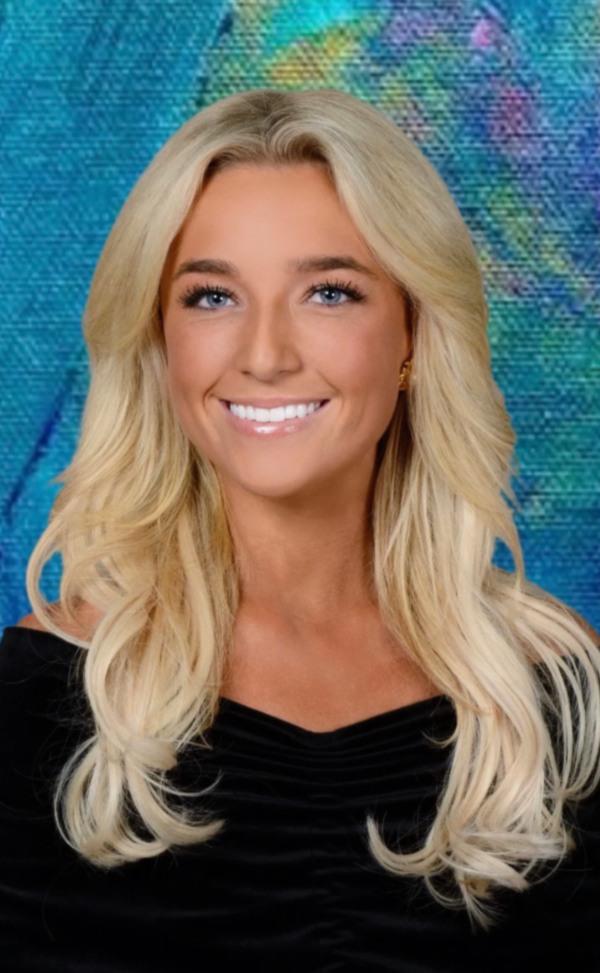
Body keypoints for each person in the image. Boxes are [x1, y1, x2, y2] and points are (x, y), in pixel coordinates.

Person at [1, 87, 599, 971]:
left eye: (328, 291)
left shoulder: (549, 695)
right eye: (211, 296)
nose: (267, 352)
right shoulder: (37, 700)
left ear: (411, 337)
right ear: (161, 341)